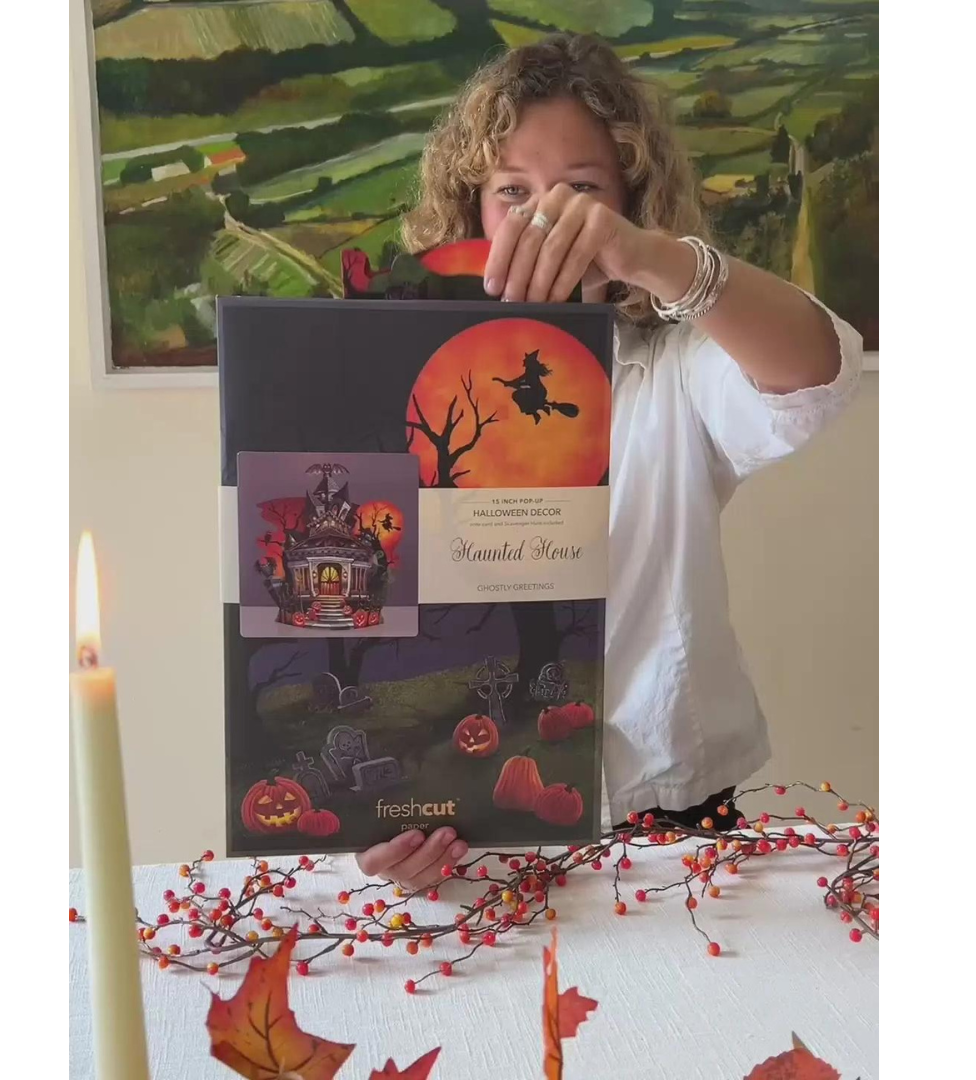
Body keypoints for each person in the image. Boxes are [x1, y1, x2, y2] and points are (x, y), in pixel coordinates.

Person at [356, 33, 862, 890]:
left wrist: (654, 260)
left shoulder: (675, 367)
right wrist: (385, 811)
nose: (547, 221)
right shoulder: (400, 386)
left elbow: (815, 368)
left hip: (668, 812)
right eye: (512, 192)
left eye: (583, 191)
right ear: (470, 210)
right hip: (463, 810)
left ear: (631, 203)